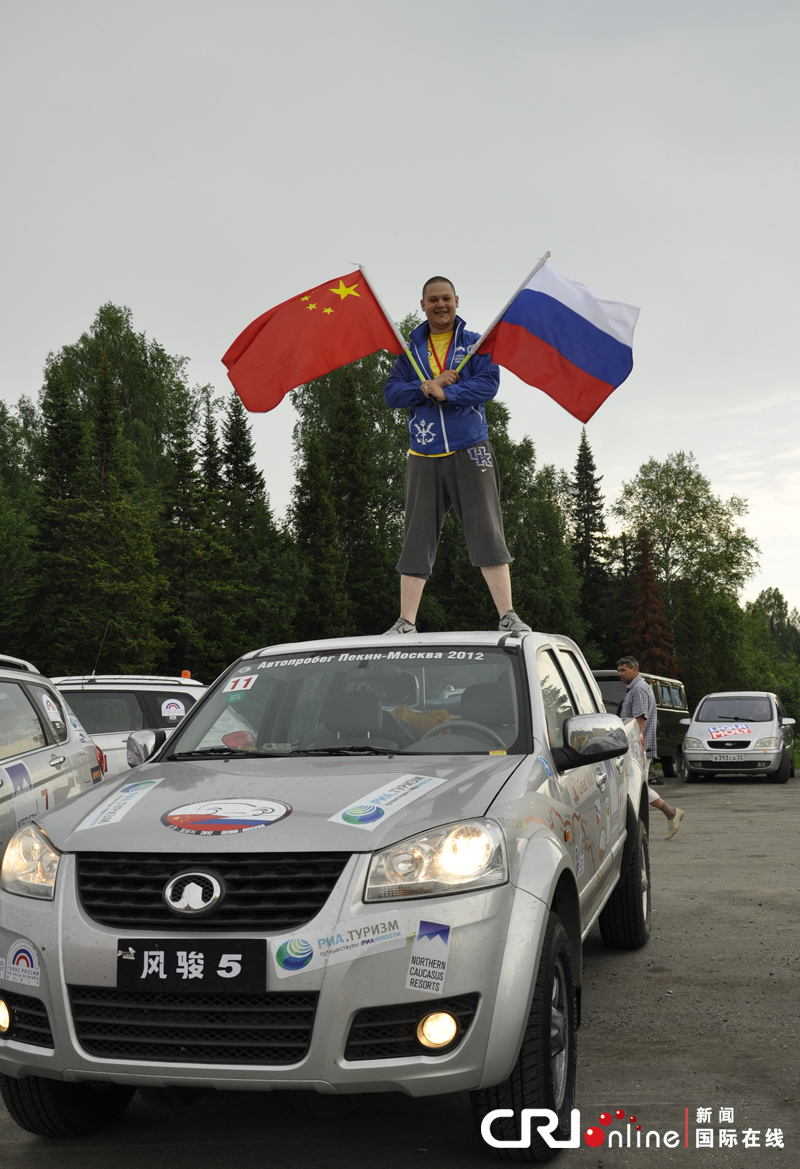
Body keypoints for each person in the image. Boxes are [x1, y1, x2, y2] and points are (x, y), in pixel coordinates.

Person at [382, 276, 530, 635]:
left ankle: (508, 615)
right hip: (424, 452)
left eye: (445, 298)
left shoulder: (475, 344)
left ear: (457, 300)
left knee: (487, 529)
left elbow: (488, 384)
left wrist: (449, 391)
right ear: (423, 305)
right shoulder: (410, 352)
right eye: (433, 300)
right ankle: (406, 622)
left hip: (471, 448)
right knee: (416, 536)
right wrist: (425, 387)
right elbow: (391, 394)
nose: (440, 305)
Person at [617, 655, 685, 840]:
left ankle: (667, 814)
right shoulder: (635, 688)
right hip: (638, 746)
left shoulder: (638, 689)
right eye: (619, 670)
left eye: (624, 670)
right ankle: (669, 813)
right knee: (637, 787)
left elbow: (640, 718)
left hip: (638, 747)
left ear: (634, 670)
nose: (620, 673)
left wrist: (636, 744)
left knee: (637, 787)